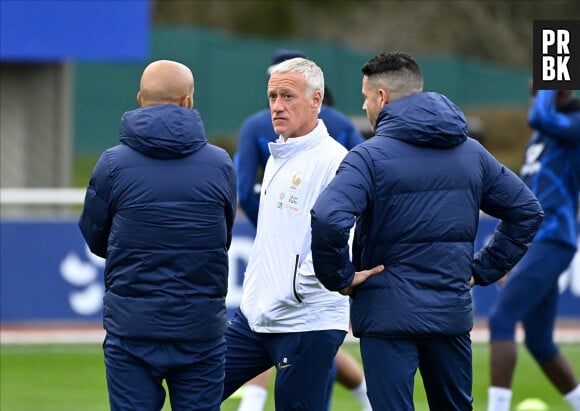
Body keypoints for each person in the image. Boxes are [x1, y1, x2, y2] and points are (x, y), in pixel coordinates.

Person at [310, 51, 544, 411]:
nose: (365, 105)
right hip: (449, 312)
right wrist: (481, 270)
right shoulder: (473, 153)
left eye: (366, 97)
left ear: (382, 98)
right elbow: (527, 211)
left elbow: (328, 218)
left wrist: (339, 276)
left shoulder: (368, 157)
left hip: (385, 316)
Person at [78, 60, 237, 411]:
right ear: (187, 101)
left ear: (139, 99)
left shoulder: (111, 164)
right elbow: (221, 237)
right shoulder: (220, 163)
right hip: (200, 330)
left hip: (131, 329)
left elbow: (94, 236)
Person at [234, 49, 371, 411]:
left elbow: (342, 232)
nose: (276, 106)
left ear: (316, 100)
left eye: (287, 96)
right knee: (195, 392)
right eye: (272, 97)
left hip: (305, 320)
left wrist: (303, 283)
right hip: (257, 315)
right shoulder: (281, 153)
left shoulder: (336, 160)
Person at [486, 88, 580, 411]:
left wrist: (551, 85)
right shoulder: (539, 139)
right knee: (539, 340)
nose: (534, 99)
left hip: (555, 238)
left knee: (501, 318)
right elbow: (523, 201)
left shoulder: (573, 123)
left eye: (539, 92)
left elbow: (539, 115)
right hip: (534, 241)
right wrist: (513, 249)